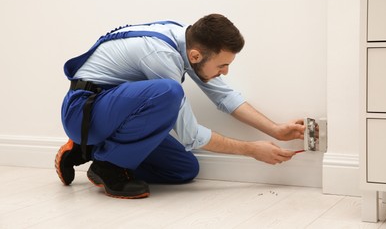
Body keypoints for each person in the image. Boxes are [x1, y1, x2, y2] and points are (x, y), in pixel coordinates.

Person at [55, 13, 305, 199]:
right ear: (196, 56)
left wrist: (275, 129)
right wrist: (251, 149)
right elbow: (190, 134)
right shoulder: (161, 54)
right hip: (83, 113)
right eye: (221, 66)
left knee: (184, 169)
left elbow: (224, 96)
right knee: (169, 92)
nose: (226, 72)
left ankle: (87, 151)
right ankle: (107, 166)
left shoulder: (186, 39)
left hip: (114, 115)